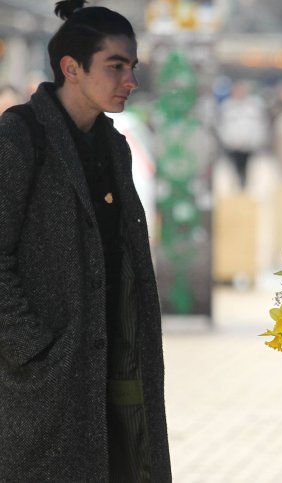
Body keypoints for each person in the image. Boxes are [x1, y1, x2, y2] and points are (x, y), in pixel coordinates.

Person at [0, 1, 171, 481]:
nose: (130, 81)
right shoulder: (19, 138)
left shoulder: (113, 144)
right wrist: (32, 348)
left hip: (117, 363)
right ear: (71, 68)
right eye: (115, 66)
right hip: (48, 374)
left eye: (132, 67)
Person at [217, 79, 269, 189]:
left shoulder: (254, 105)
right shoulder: (227, 106)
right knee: (235, 166)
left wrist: (256, 140)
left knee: (247, 166)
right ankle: (238, 183)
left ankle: (245, 184)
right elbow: (223, 125)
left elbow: (259, 124)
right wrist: (228, 140)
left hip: (248, 144)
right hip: (233, 144)